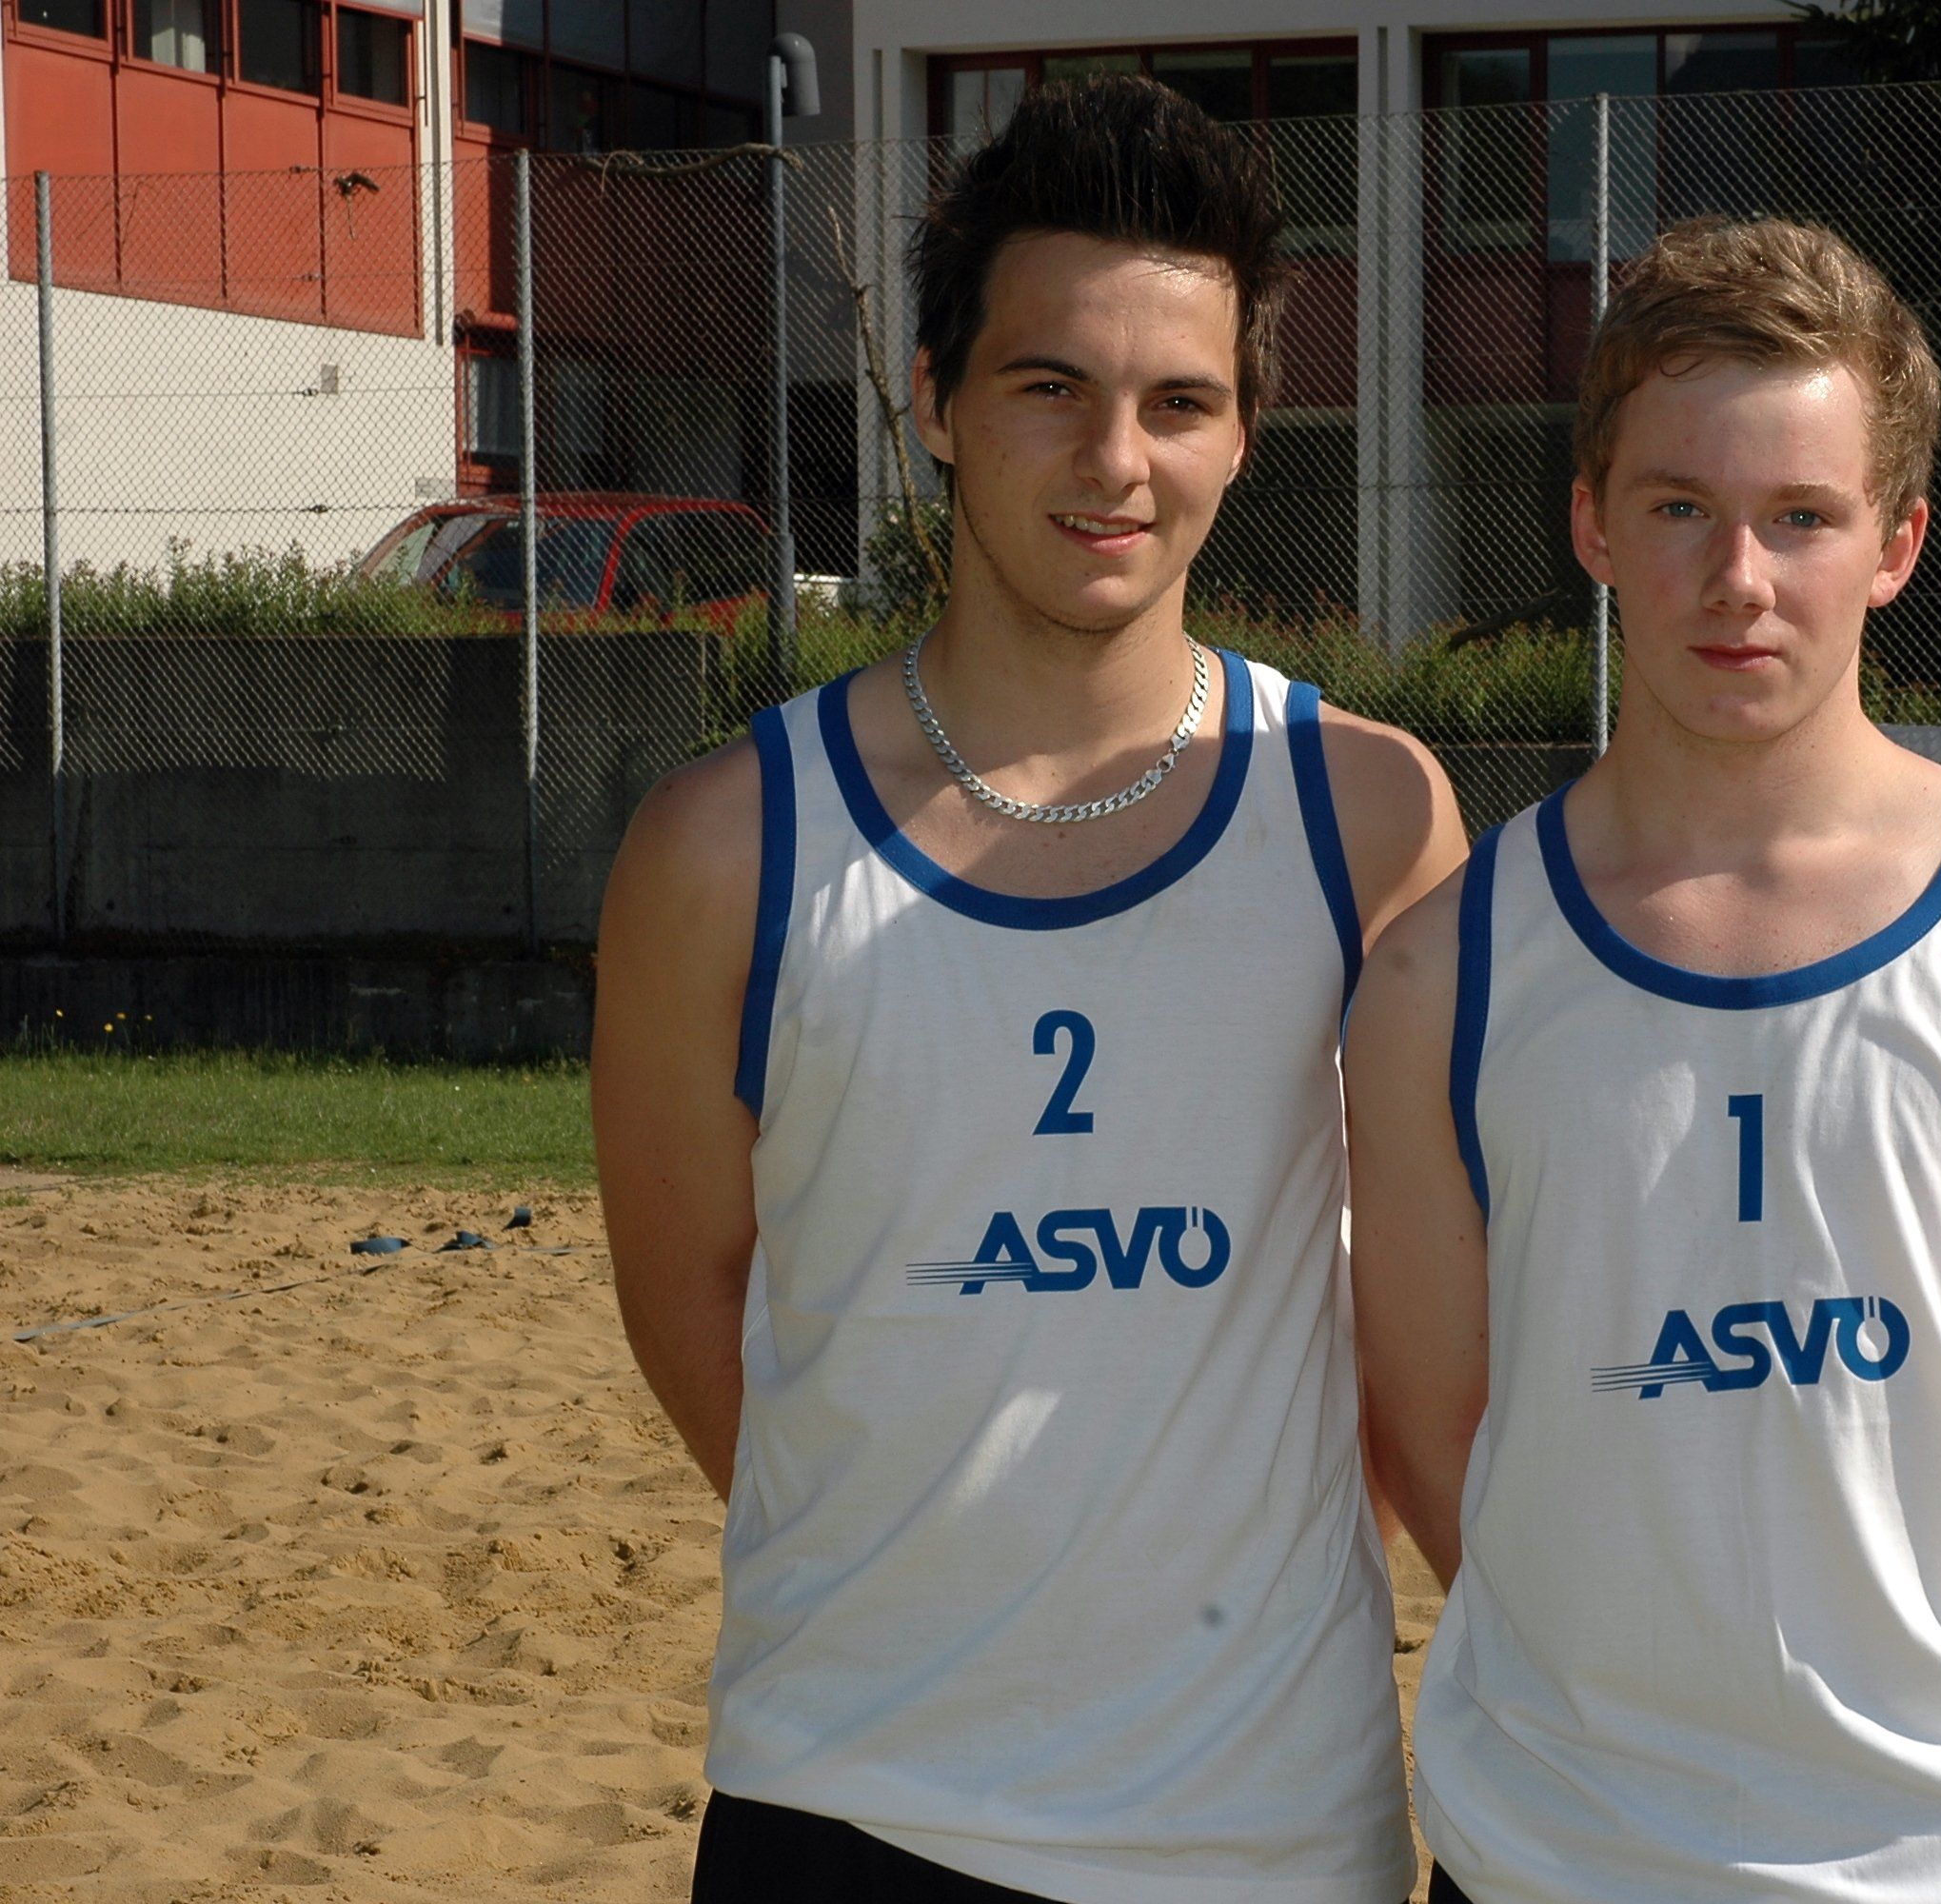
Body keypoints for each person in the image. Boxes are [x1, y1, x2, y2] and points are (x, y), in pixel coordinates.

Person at [1346, 217, 1941, 1904]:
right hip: (1569, 1862)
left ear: (1896, 542)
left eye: (1801, 515)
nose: (1741, 577)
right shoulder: (1442, 971)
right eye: (1679, 509)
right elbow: (1432, 1433)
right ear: (1591, 522)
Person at [593, 76, 1460, 1904]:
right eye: (1050, 385)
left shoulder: (1373, 817)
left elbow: (1430, 1317)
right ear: (933, 399)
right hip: (854, 1803)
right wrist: (919, 1567)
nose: (1114, 459)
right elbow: (692, 1305)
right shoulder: (724, 848)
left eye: (1180, 402)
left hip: (1264, 1824)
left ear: (1244, 433)